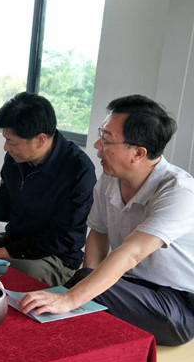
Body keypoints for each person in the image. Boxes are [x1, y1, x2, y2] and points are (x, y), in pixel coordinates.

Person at [20, 95, 194, 346]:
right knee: (83, 289)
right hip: (129, 287)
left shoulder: (179, 192)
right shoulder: (110, 179)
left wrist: (71, 299)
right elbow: (98, 232)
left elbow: (132, 253)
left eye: (107, 139)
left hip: (177, 304)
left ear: (138, 153)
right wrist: (85, 281)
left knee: (77, 295)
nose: (97, 145)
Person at [0, 92, 96, 285]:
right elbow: (7, 210)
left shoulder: (78, 170)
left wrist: (6, 252)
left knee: (6, 274)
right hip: (16, 240)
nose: (6, 148)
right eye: (6, 139)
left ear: (40, 140)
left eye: (11, 142)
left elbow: (64, 238)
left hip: (56, 256)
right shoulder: (15, 159)